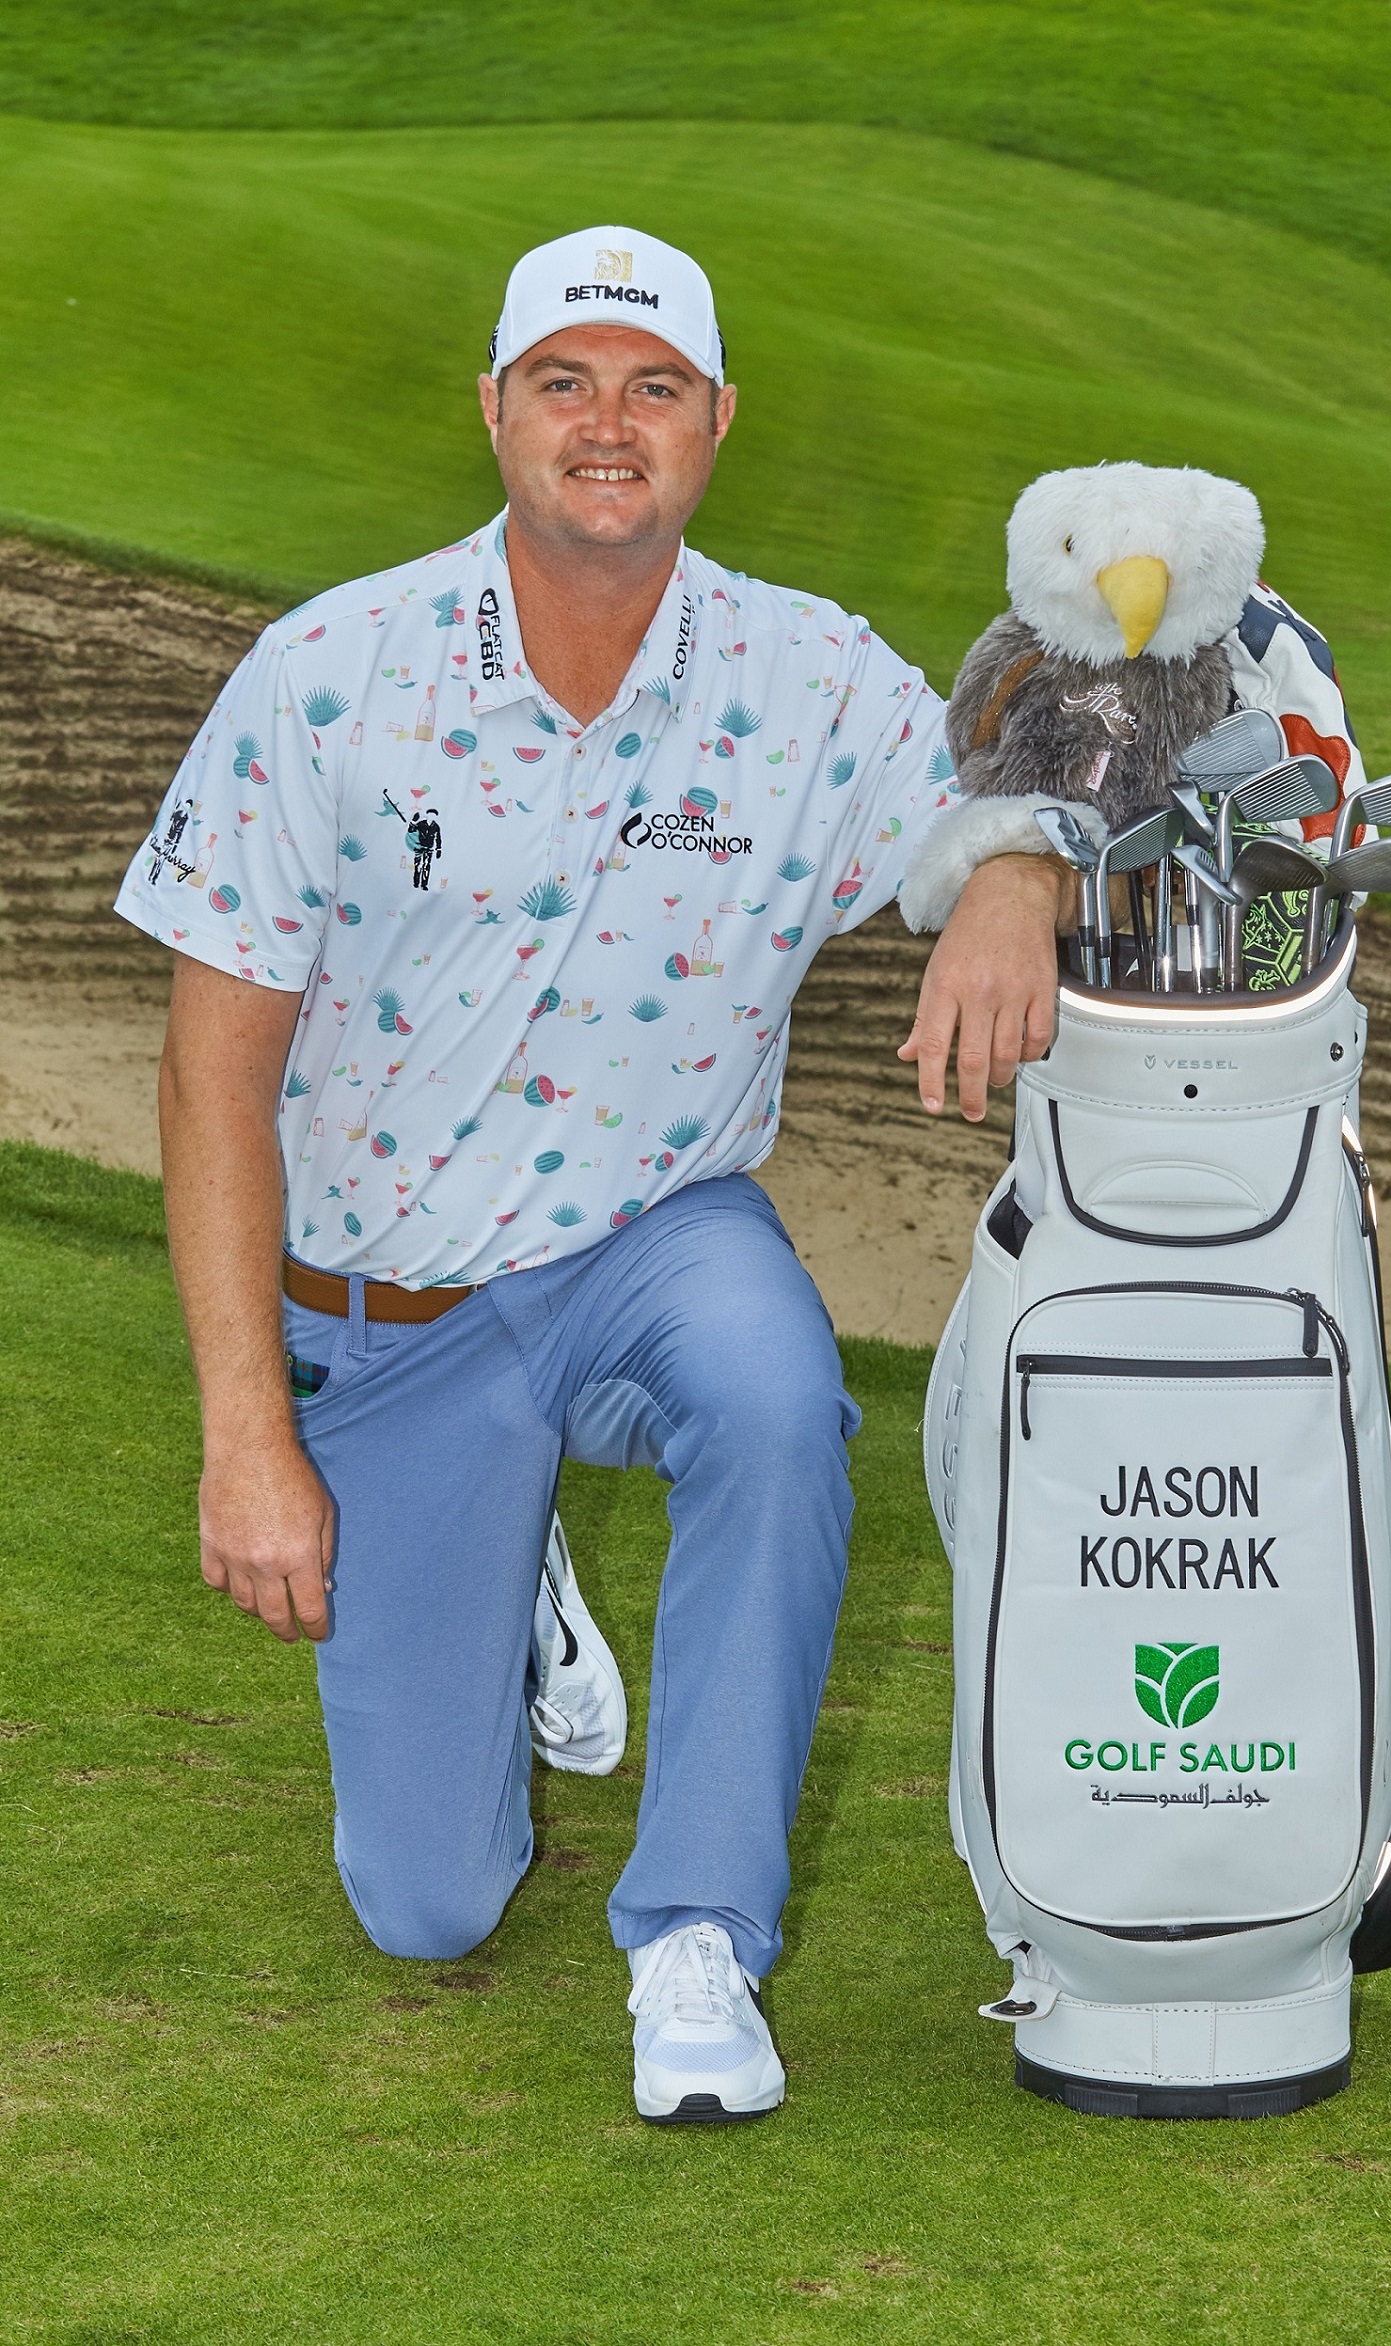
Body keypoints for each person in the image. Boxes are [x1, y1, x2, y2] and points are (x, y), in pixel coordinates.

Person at [116, 226, 1068, 2125]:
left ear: (716, 422)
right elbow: (211, 1081)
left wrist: (1016, 879)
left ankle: (697, 1934)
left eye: (652, 387)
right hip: (391, 1312)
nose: (607, 424)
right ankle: (512, 1551)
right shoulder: (327, 674)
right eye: (564, 382)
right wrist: (246, 1438)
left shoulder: (812, 676)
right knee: (428, 1904)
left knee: (777, 1401)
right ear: (495, 410)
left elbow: (996, 785)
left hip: (653, 1244)